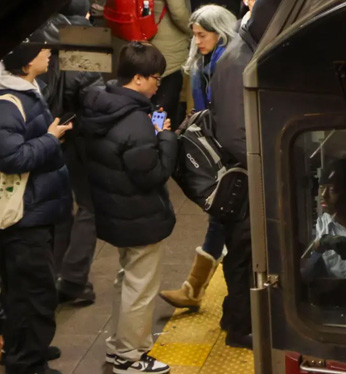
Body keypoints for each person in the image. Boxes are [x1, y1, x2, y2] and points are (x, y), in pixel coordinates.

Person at [79, 42, 177, 374]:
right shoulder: (136, 123)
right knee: (140, 287)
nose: (158, 84)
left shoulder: (100, 104)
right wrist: (165, 137)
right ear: (137, 78)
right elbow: (152, 175)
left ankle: (118, 347)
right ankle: (131, 356)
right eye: (155, 78)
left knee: (127, 279)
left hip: (113, 211)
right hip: (140, 215)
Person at [158, 4, 238, 313]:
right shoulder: (208, 61)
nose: (197, 42)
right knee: (221, 216)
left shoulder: (226, 64)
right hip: (219, 148)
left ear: (221, 33)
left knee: (222, 216)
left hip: (230, 151)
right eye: (195, 36)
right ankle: (195, 288)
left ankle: (196, 289)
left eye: (202, 35)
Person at [0, 41, 73, 374]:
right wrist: (50, 138)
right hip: (24, 217)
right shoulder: (8, 103)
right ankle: (27, 364)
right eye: (43, 50)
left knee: (30, 291)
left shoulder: (29, 89)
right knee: (31, 294)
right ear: (26, 61)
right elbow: (11, 157)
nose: (49, 54)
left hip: (37, 208)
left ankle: (31, 349)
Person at [37, 0, 104, 305]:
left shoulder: (38, 31)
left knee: (59, 207)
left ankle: (49, 279)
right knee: (90, 205)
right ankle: (76, 280)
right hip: (78, 131)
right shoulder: (82, 32)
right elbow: (94, 94)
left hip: (46, 132)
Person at [150, 0, 192, 131]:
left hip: (140, 38)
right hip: (168, 47)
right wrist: (194, 29)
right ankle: (161, 141)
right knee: (165, 104)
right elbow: (178, 12)